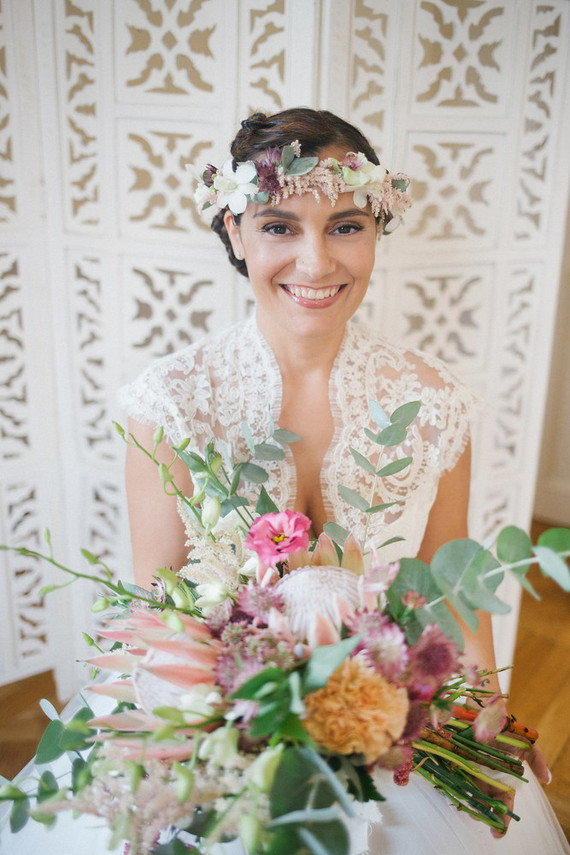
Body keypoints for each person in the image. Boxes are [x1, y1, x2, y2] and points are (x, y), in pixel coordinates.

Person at [2, 109, 568, 855]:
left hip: (387, 708)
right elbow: (160, 605)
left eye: (345, 226)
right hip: (212, 702)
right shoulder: (170, 402)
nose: (315, 262)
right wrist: (198, 740)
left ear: (377, 230)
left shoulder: (434, 403)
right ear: (233, 231)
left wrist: (492, 711)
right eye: (279, 226)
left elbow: (446, 588)